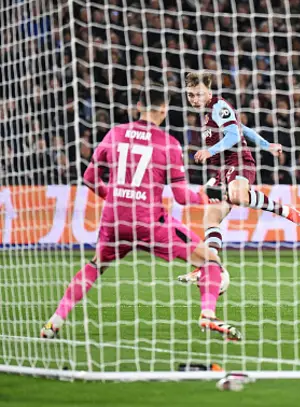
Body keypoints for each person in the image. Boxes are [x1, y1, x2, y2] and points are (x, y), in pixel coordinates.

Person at [40, 86, 242, 341]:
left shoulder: (115, 134)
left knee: (95, 265)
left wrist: (114, 197)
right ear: (164, 110)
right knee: (210, 260)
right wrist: (207, 195)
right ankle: (208, 315)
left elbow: (90, 178)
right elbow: (181, 197)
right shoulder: (169, 144)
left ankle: (53, 323)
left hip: (114, 220)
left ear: (137, 107)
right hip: (149, 223)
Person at [179, 72, 300, 284]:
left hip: (238, 160)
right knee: (210, 219)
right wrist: (267, 145)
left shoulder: (218, 106)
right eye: (191, 95)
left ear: (208, 91)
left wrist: (209, 152)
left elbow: (233, 135)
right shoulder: (209, 112)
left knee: (238, 195)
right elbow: (242, 128)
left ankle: (286, 211)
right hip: (223, 169)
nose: (194, 99)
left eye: (198, 94)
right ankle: (206, 268)